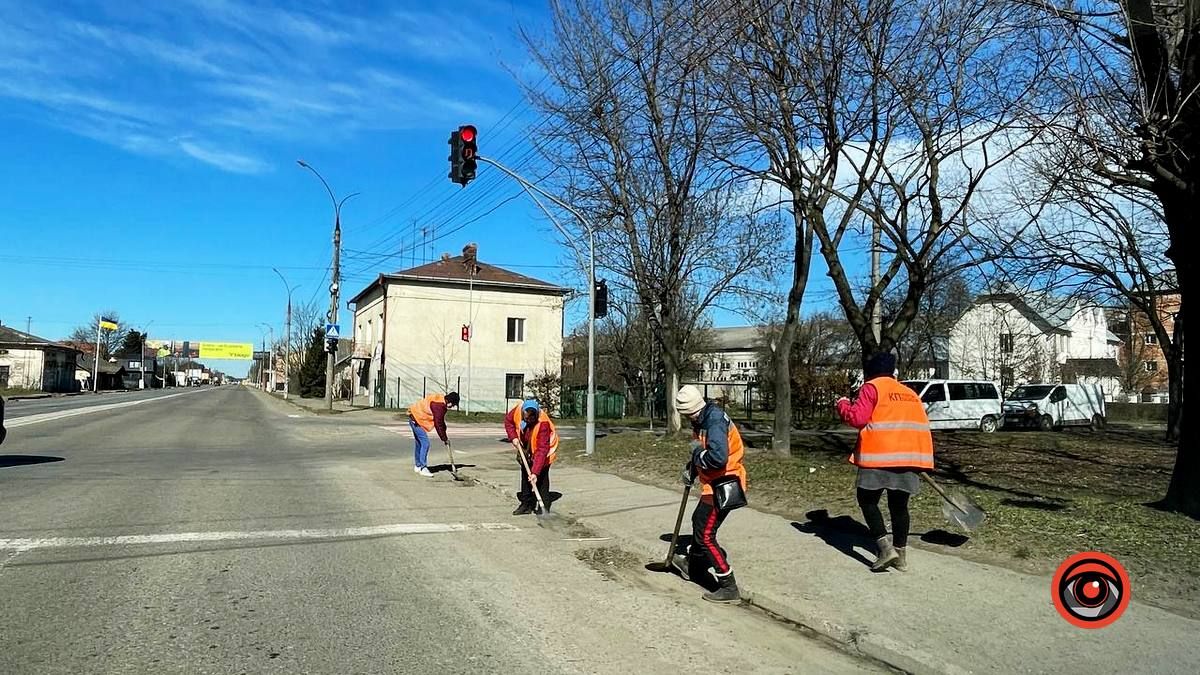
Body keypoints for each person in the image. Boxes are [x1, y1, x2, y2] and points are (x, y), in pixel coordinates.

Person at [835, 351, 934, 572]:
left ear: (870, 371)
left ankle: (884, 547)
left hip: (879, 455)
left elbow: (857, 418)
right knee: (899, 506)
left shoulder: (872, 388)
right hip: (910, 457)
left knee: (867, 499)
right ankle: (901, 556)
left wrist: (842, 404)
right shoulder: (909, 392)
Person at [670, 385, 747, 604]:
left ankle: (728, 586)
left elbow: (717, 458)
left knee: (705, 535)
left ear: (690, 411)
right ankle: (693, 566)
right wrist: (692, 468)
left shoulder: (713, 422)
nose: (686, 420)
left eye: (685, 415)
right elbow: (702, 451)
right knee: (699, 522)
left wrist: (696, 455)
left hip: (725, 484)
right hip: (713, 483)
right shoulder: (702, 419)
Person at [503, 399, 559, 515]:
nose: (528, 421)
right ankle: (526, 504)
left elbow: (542, 450)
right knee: (525, 475)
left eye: (531, 420)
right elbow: (508, 422)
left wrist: (535, 473)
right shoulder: (517, 410)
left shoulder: (543, 424)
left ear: (536, 416)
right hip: (527, 447)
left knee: (541, 479)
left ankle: (544, 507)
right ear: (523, 413)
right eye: (526, 419)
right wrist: (513, 437)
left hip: (545, 451)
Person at [408, 391, 460, 477]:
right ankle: (423, 468)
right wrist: (444, 438)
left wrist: (444, 428)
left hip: (413, 416)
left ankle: (418, 466)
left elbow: (440, 420)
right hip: (417, 420)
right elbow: (438, 424)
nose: (452, 407)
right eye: (453, 405)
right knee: (425, 443)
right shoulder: (439, 406)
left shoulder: (440, 400)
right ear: (450, 402)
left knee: (419, 443)